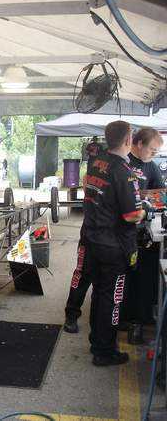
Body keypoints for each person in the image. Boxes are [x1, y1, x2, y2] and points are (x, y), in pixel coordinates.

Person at [74, 120, 144, 366]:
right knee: (112, 298)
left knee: (100, 293)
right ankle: (105, 351)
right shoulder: (123, 172)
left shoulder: (96, 162)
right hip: (114, 245)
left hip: (93, 238)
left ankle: (98, 341)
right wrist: (145, 211)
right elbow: (131, 215)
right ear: (128, 140)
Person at [122, 128, 164, 343]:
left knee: (144, 276)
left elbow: (161, 194)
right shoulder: (123, 162)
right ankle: (125, 319)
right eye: (152, 150)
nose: (153, 154)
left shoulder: (152, 166)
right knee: (126, 277)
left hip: (143, 232)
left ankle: (140, 318)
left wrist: (154, 199)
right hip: (121, 231)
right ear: (138, 143)